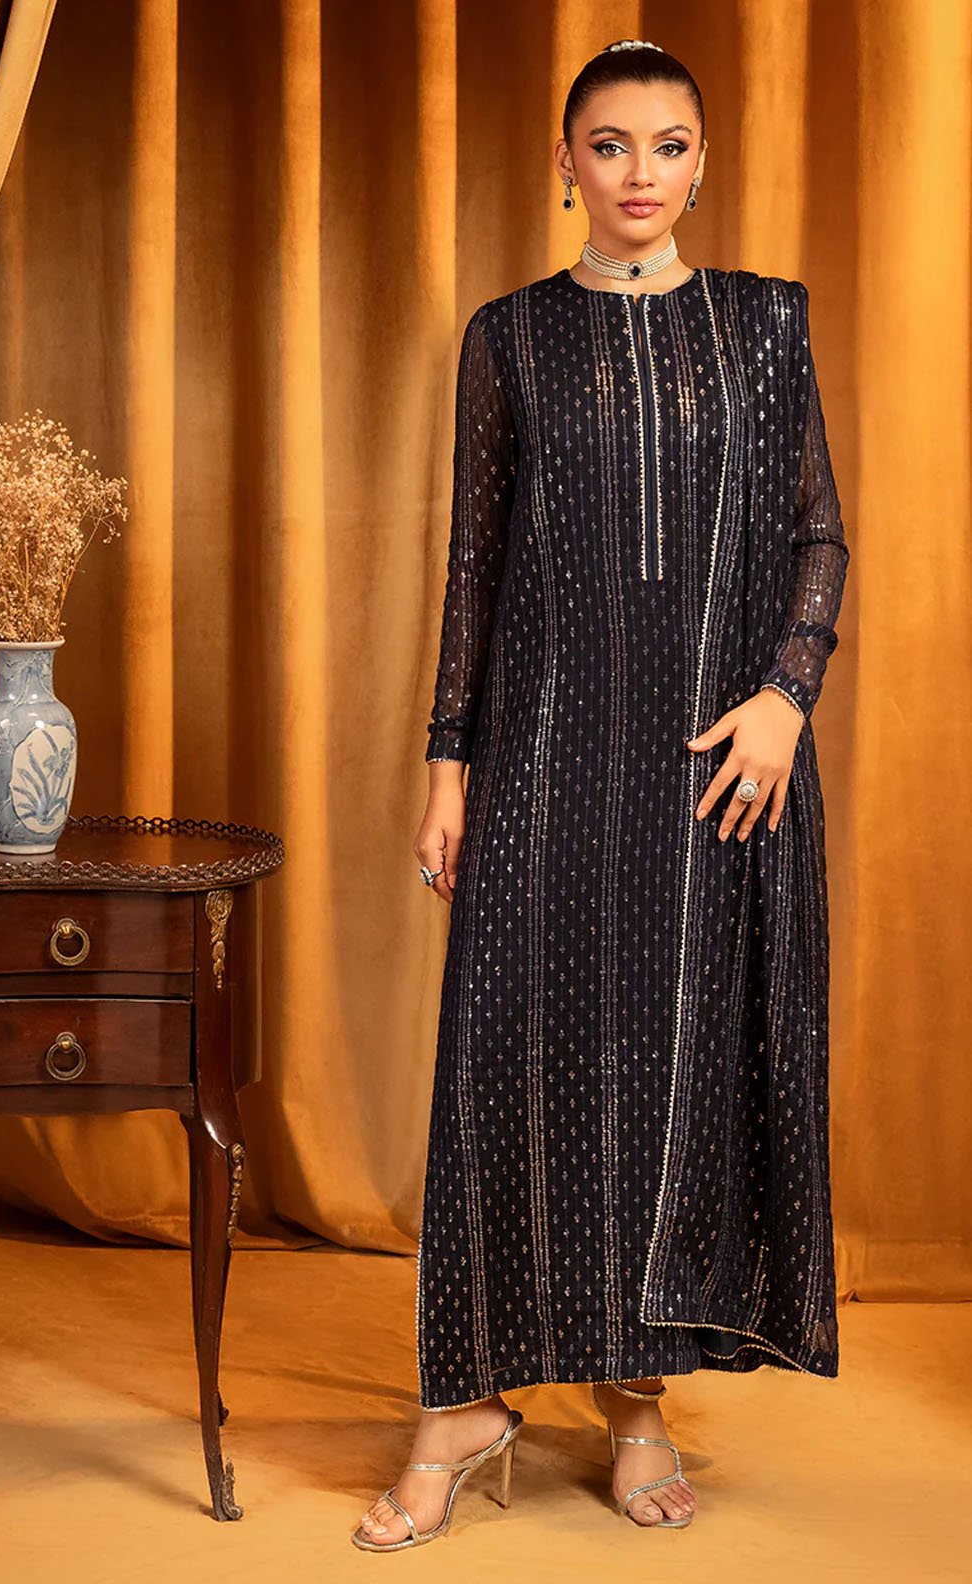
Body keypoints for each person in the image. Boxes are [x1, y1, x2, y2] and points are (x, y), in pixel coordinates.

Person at [353, 36, 849, 1551]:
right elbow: (475, 563)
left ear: (704, 161)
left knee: (673, 1072)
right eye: (611, 144)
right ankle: (463, 1403)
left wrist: (785, 699)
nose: (641, 172)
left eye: (669, 144)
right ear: (563, 162)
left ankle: (636, 1407)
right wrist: (447, 763)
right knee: (508, 1060)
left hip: (714, 771)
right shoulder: (508, 338)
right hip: (544, 757)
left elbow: (817, 536)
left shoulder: (763, 325)